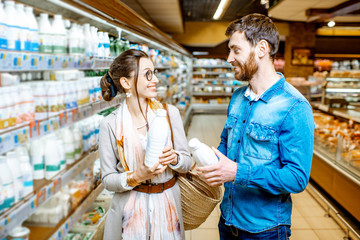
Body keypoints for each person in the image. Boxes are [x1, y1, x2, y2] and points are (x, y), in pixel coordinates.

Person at [197, 13, 315, 240]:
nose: (229, 58)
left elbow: (297, 178)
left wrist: (236, 172)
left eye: (236, 50)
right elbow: (226, 142)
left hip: (265, 231)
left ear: (261, 49)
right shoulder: (238, 97)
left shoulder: (294, 107)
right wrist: (208, 164)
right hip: (228, 221)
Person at [99, 49, 192, 240]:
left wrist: (175, 159)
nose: (156, 80)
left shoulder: (169, 113)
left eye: (155, 73)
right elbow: (108, 179)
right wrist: (136, 176)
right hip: (128, 213)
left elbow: (187, 162)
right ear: (126, 83)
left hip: (168, 208)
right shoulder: (110, 124)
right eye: (147, 74)